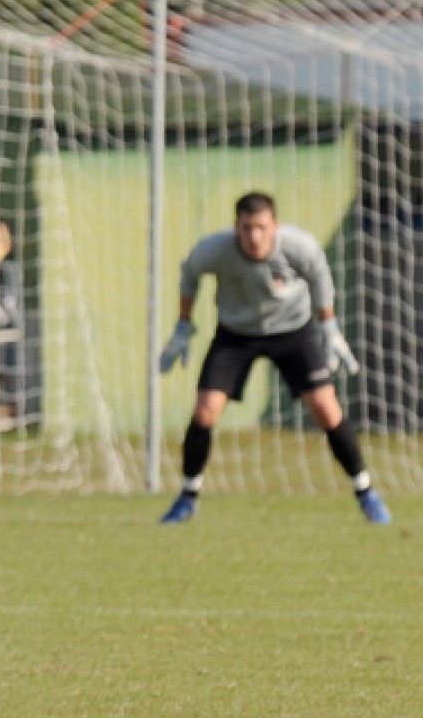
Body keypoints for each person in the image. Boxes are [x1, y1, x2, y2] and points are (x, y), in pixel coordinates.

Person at [157, 191, 391, 525]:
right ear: (236, 226)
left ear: (275, 226)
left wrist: (329, 326)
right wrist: (183, 324)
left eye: (262, 228)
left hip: (293, 332)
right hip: (236, 334)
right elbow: (189, 273)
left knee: (326, 408)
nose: (254, 236)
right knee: (205, 411)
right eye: (247, 227)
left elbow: (320, 275)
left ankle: (366, 492)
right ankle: (187, 497)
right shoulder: (214, 250)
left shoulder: (299, 246)